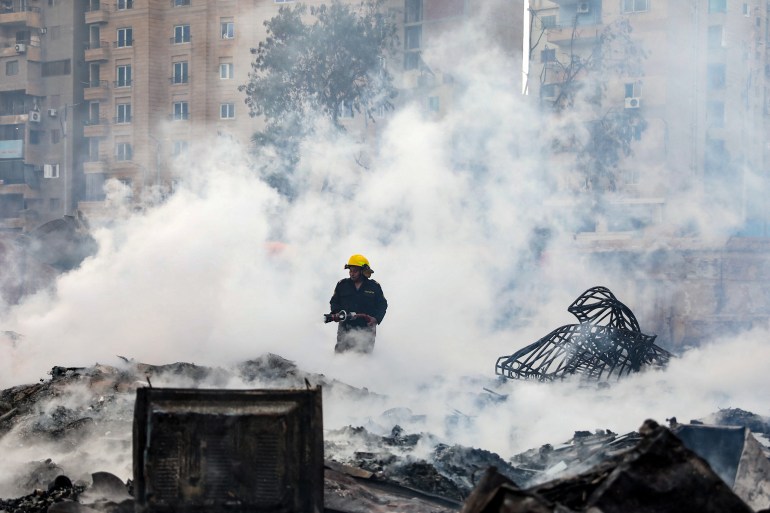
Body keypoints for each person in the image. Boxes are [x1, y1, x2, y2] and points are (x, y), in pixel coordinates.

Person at [329, 254, 388, 353]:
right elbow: (334, 301)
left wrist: (376, 319)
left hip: (366, 330)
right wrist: (337, 313)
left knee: (363, 359)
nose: (352, 273)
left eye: (355, 271)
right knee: (341, 355)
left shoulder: (374, 287)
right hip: (345, 328)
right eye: (350, 271)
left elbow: (382, 305)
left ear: (363, 271)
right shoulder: (342, 285)